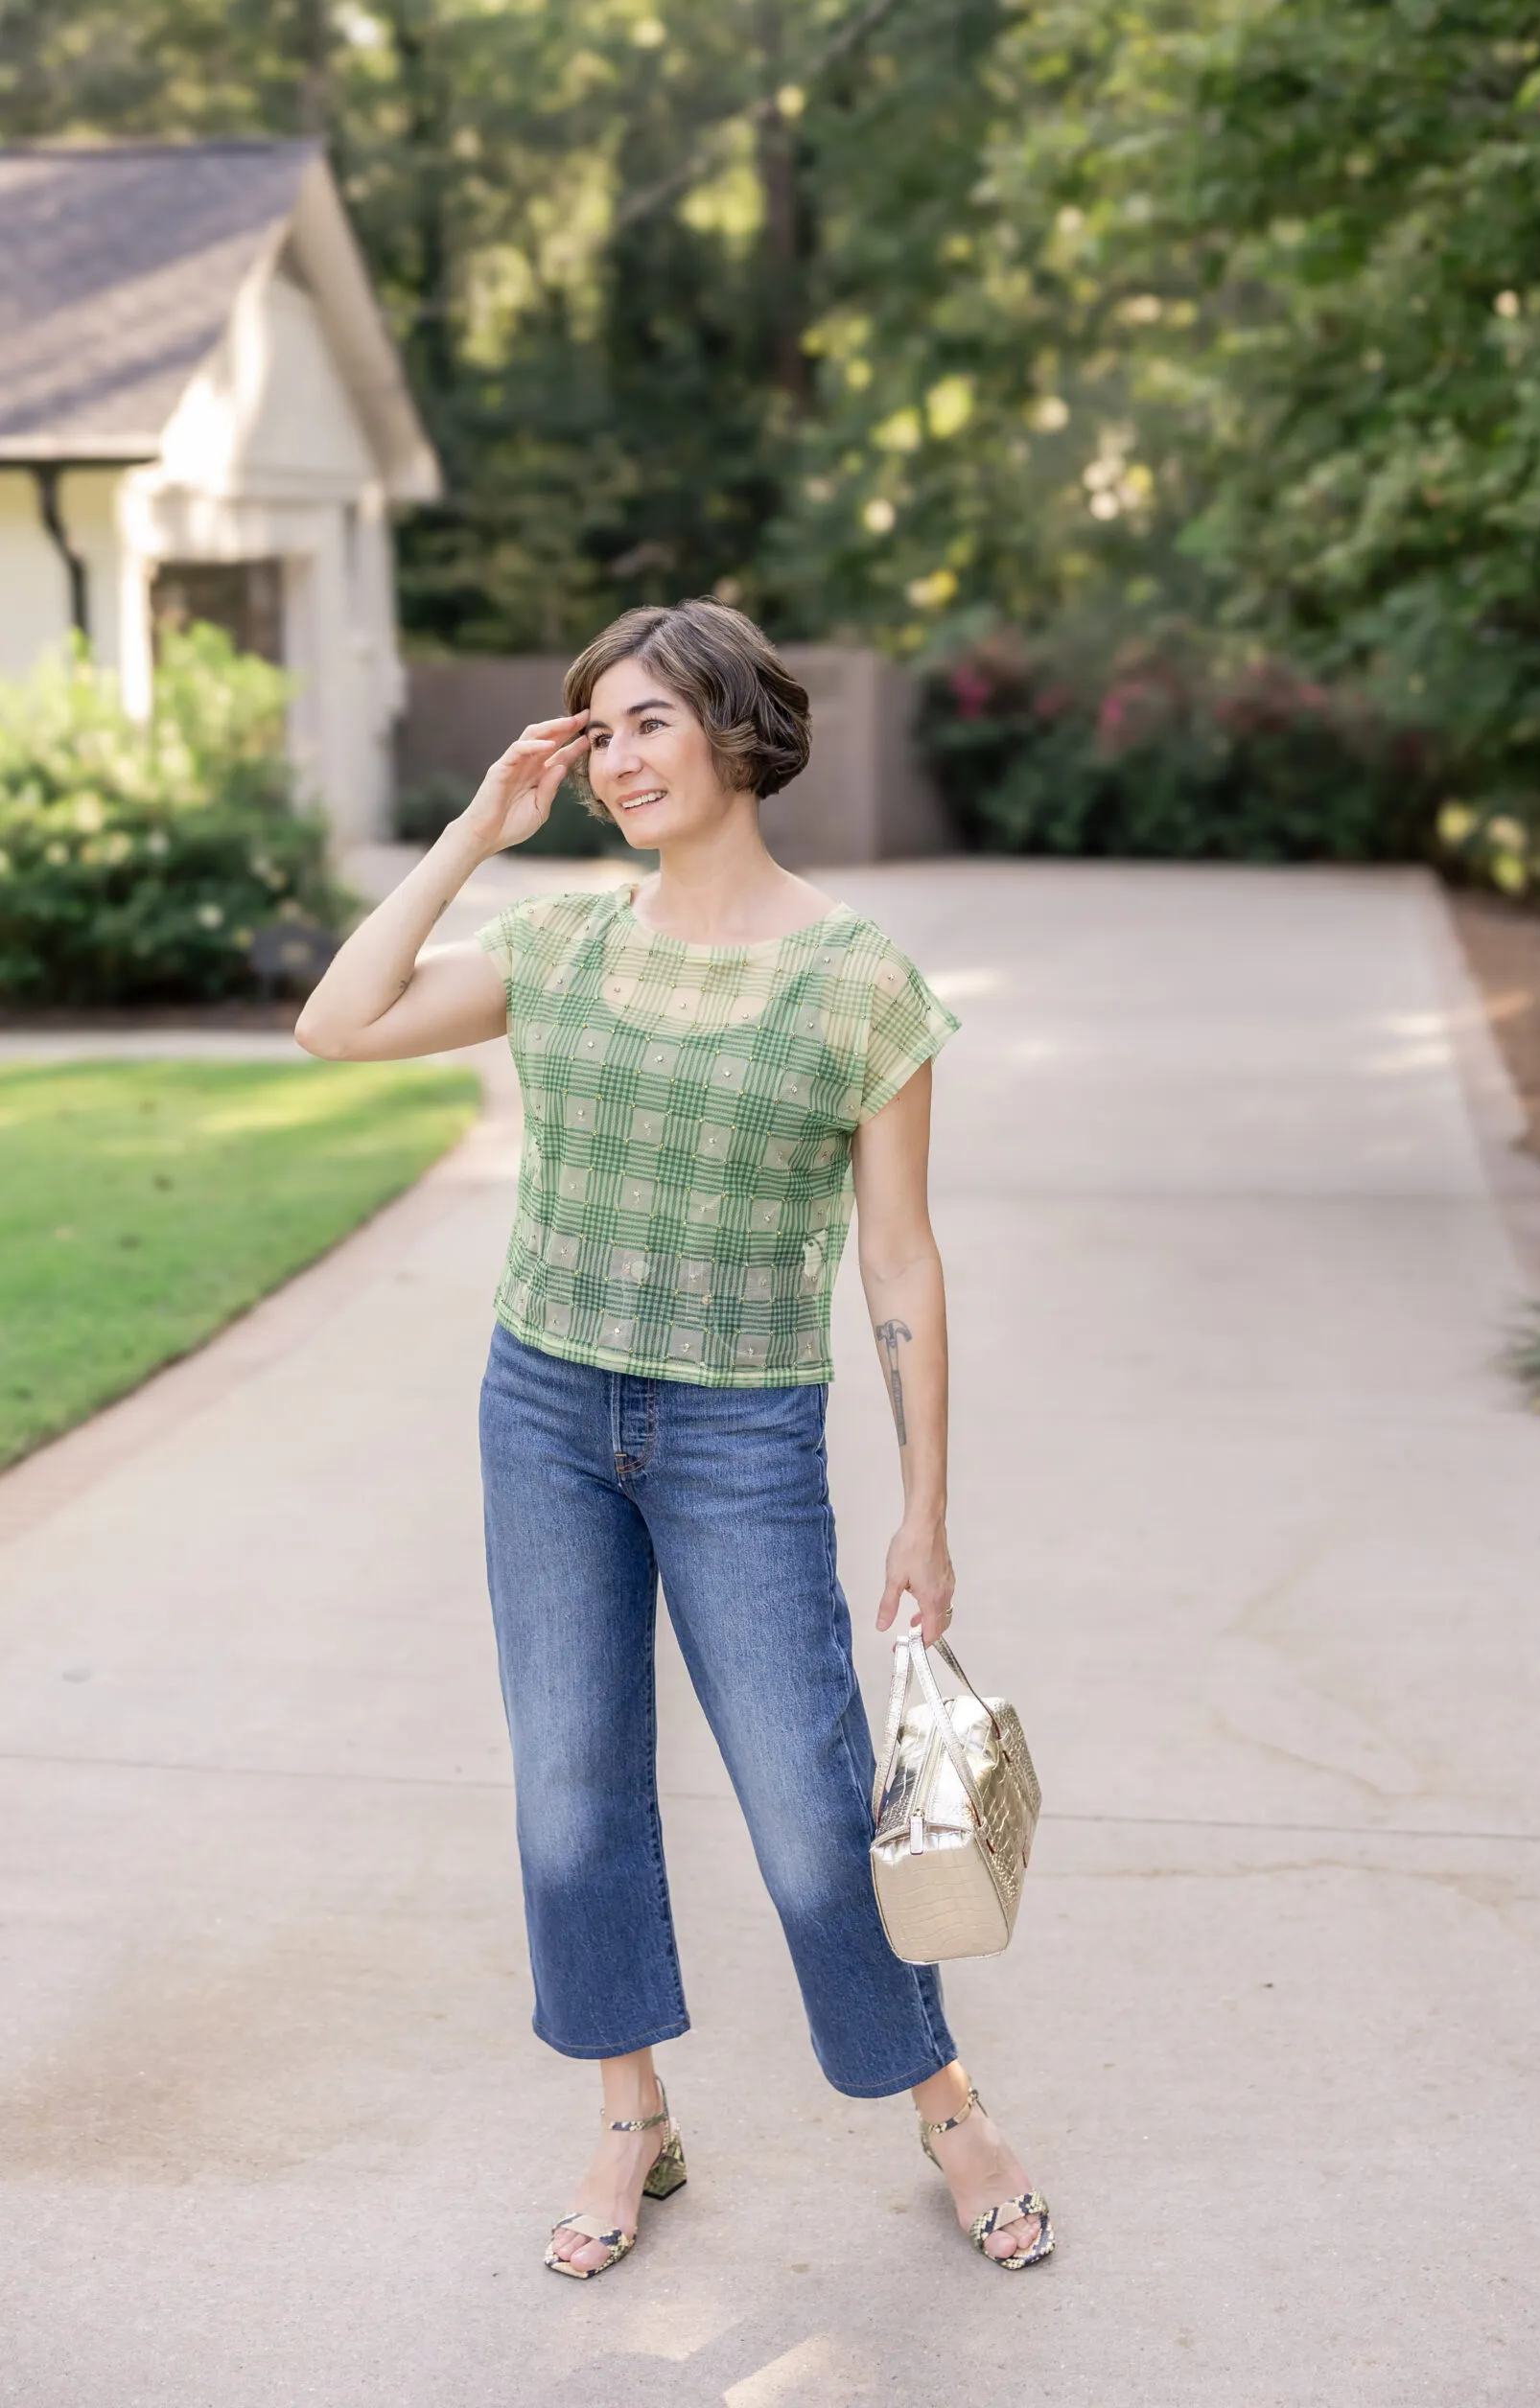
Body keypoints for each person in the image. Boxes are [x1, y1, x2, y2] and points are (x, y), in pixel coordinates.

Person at [295, 598, 1051, 2278]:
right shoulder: (561, 946)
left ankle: (945, 2106)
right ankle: (632, 2113)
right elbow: (337, 1023)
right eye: (598, 729)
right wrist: (478, 831)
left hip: (741, 1435)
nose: (618, 758)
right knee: (571, 1790)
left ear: (732, 732)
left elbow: (901, 1254)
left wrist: (924, 1508)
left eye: (648, 723)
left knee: (805, 1807)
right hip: (545, 1407)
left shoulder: (859, 983)